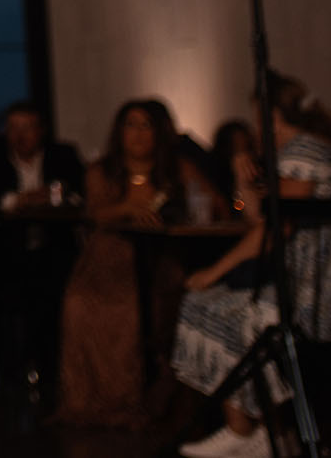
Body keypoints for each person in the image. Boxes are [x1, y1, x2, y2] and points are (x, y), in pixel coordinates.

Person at [171, 75, 331, 458]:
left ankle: (249, 429)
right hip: (317, 284)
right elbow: (257, 218)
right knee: (214, 303)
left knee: (209, 305)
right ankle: (259, 427)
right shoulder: (303, 153)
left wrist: (212, 272)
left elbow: (275, 229)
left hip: (327, 296)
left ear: (273, 116)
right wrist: (241, 176)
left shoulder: (303, 154)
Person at [57, 99, 223, 426]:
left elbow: (217, 205)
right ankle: (96, 399)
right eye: (130, 125)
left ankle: (147, 396)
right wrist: (129, 209)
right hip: (108, 256)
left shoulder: (178, 168)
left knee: (142, 306)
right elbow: (97, 212)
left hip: (160, 255)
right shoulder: (102, 170)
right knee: (81, 304)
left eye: (146, 125)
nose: (137, 134)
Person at [0, 101, 86, 393]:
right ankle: (11, 373)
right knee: (9, 298)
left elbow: (81, 195)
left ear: (41, 131)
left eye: (27, 128)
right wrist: (19, 200)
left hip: (55, 251)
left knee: (56, 296)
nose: (20, 136)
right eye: (13, 128)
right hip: (7, 256)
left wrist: (54, 197)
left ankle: (55, 371)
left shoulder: (62, 156)